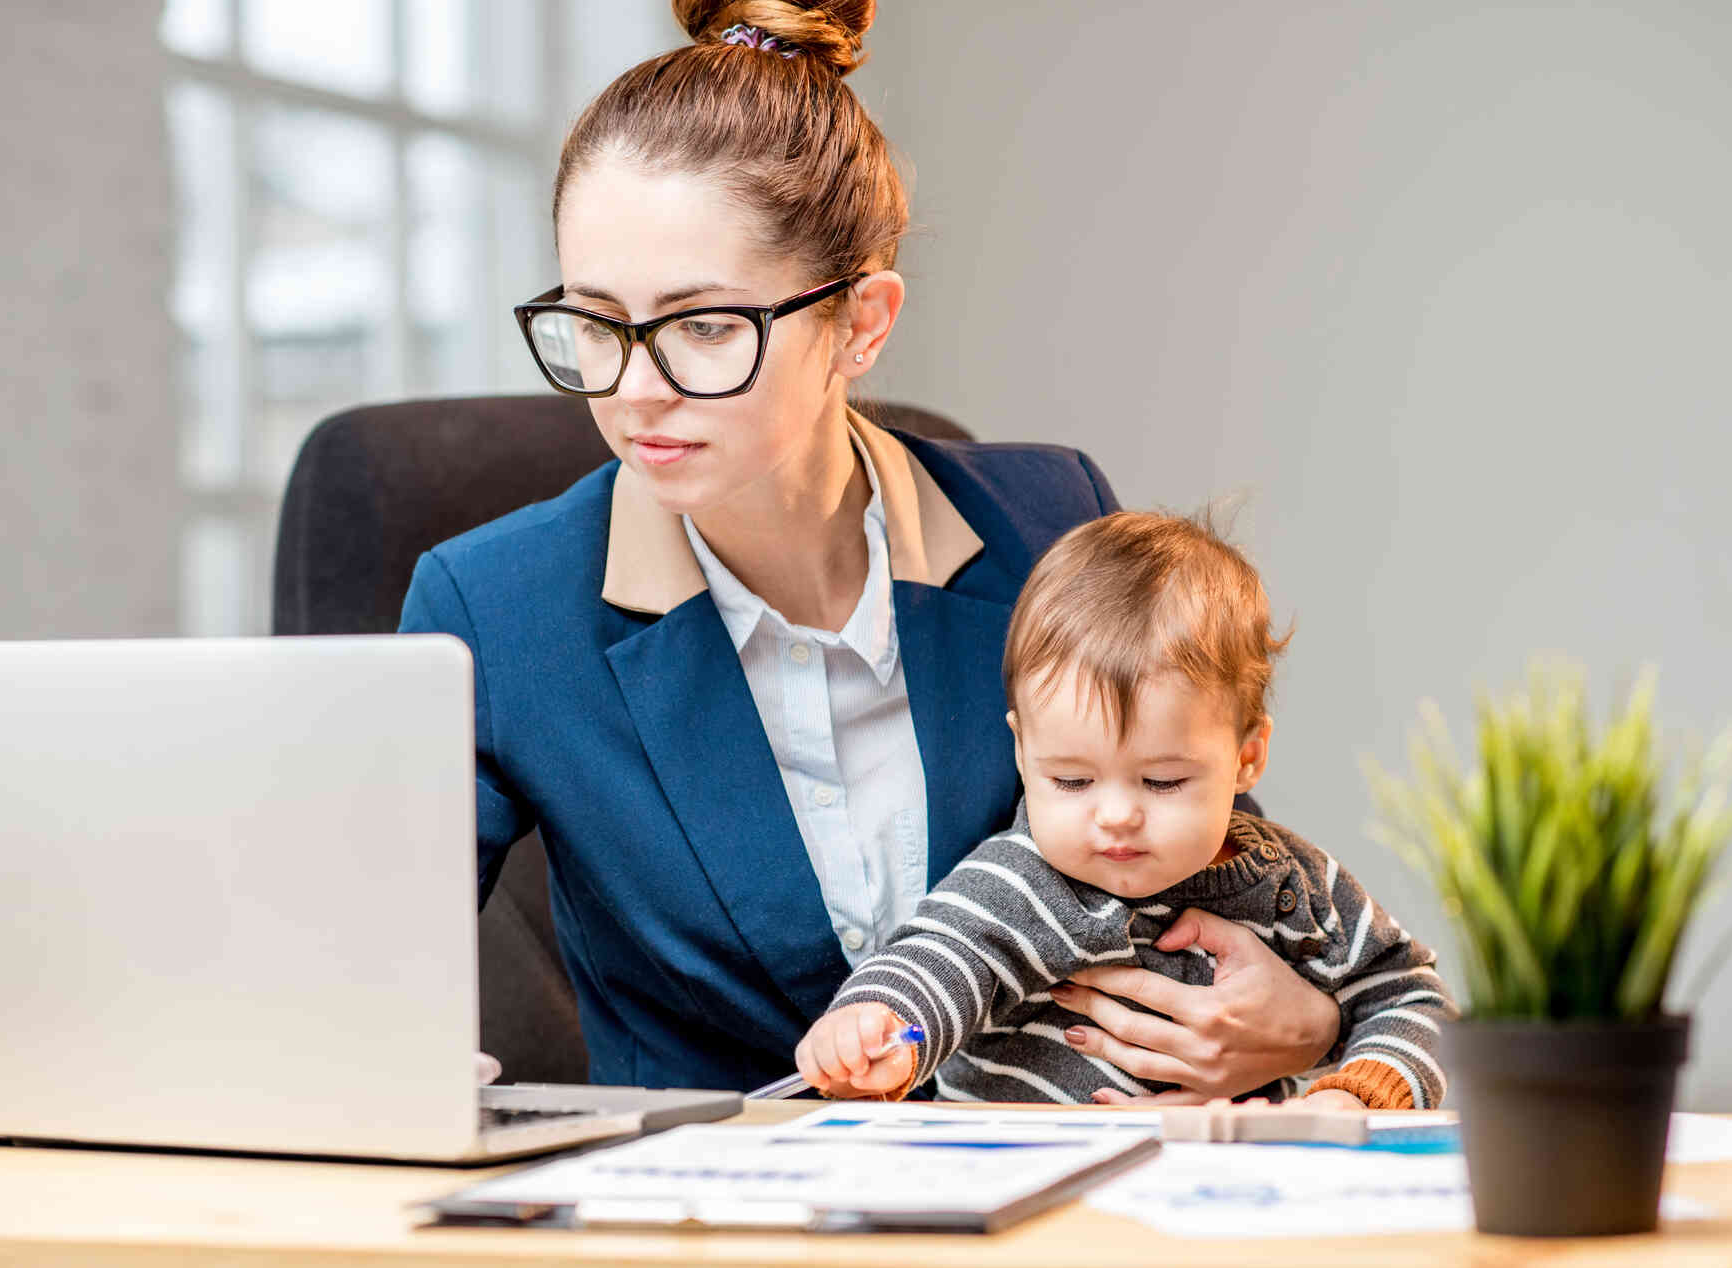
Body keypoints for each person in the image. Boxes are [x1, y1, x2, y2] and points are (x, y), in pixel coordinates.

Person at [399, 0, 1341, 1097]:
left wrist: (1308, 1016)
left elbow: (1228, 864)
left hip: (1062, 1182)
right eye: (597, 323)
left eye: (704, 326)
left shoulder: (1044, 522)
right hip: (704, 1221)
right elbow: (352, 974)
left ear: (861, 321)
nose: (634, 388)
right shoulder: (496, 606)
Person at [794, 512, 1454, 1108]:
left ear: (1248, 758)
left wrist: (1357, 1096)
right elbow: (938, 960)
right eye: (1073, 780)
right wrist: (875, 1027)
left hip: (1226, 1199)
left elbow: (1411, 996)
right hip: (1026, 1196)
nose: (1114, 816)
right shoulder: (1023, 880)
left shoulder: (1298, 888)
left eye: (1161, 781)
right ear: (1023, 752)